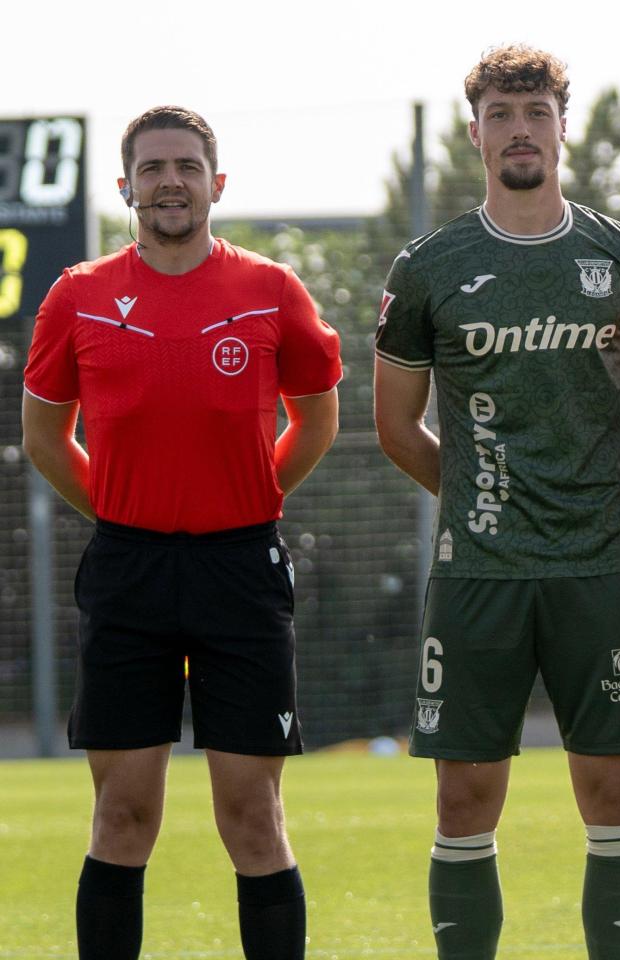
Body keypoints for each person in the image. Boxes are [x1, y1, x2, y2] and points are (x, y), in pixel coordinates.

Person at [372, 45, 620, 960]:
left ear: (560, 125)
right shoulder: (429, 267)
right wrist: (481, 503)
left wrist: (609, 489)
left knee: (612, 797)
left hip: (599, 568)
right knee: (464, 800)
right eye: (502, 116)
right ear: (476, 133)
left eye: (536, 113)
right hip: (480, 574)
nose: (520, 130)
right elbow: (396, 428)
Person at [21, 106, 342, 960]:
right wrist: (122, 508)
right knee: (123, 815)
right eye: (154, 168)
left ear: (216, 184)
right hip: (128, 571)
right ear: (126, 186)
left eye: (188, 167)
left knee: (252, 816)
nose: (171, 181)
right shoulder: (78, 296)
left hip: (242, 568)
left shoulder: (271, 290)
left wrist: (255, 493)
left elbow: (316, 418)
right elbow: (45, 437)